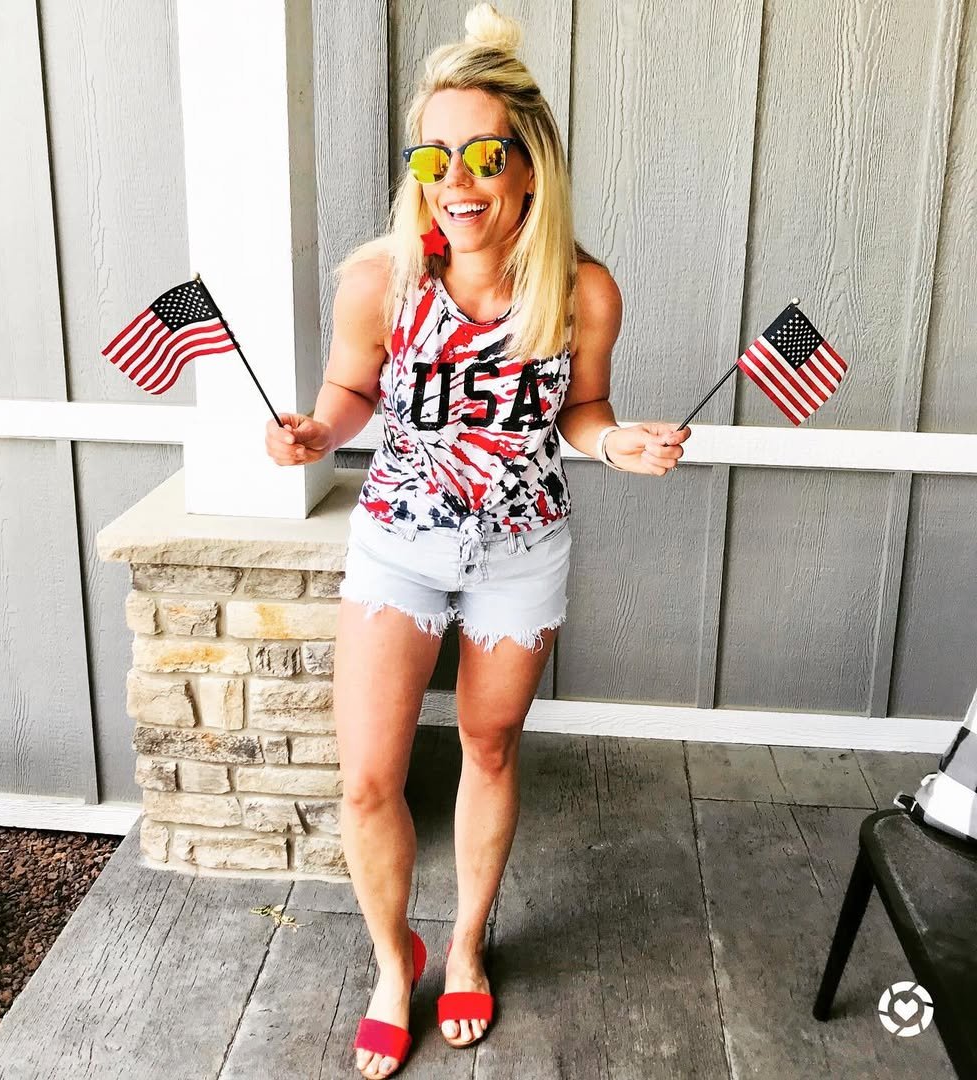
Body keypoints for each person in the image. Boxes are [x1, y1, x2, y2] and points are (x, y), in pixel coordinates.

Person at [264, 5, 690, 1075]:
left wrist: (616, 444)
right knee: (368, 779)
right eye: (433, 156)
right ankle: (390, 961)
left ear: (531, 169)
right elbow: (351, 393)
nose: (455, 180)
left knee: (490, 748)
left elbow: (581, 411)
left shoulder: (581, 290)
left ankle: (462, 947)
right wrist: (318, 431)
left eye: (485, 156)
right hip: (398, 547)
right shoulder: (381, 281)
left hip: (520, 550)